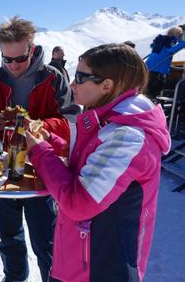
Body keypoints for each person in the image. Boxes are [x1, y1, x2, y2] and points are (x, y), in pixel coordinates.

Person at [26, 43, 171, 282]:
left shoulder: (129, 136)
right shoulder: (110, 121)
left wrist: (40, 152)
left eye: (81, 77)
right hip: (79, 261)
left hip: (101, 268)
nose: (72, 84)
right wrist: (49, 139)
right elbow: (88, 157)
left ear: (107, 85)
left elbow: (79, 202)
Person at [0, 16, 79, 282]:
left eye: (20, 59)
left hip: (42, 169)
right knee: (8, 236)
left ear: (32, 49)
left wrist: (41, 125)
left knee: (46, 239)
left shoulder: (53, 78)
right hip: (2, 171)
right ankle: (14, 278)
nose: (14, 66)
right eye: (8, 59)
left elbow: (72, 120)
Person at [145, 26, 185, 98]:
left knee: (150, 85)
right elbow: (170, 49)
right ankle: (152, 99)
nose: (181, 36)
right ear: (176, 34)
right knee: (157, 86)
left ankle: (150, 98)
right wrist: (183, 43)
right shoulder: (170, 40)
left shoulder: (162, 39)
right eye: (180, 34)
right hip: (158, 67)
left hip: (151, 65)